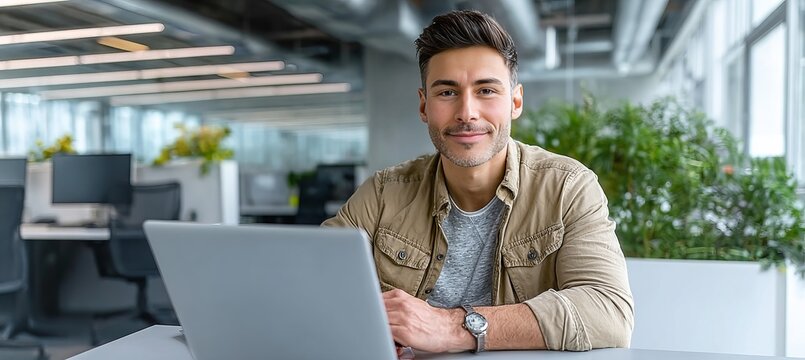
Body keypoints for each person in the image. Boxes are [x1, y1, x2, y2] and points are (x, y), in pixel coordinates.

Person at [322, 9, 633, 353]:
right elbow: (310, 285)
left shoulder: (567, 188)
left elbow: (609, 312)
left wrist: (455, 327)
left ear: (515, 101)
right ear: (424, 106)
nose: (467, 112)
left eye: (486, 90)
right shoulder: (383, 193)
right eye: (446, 92)